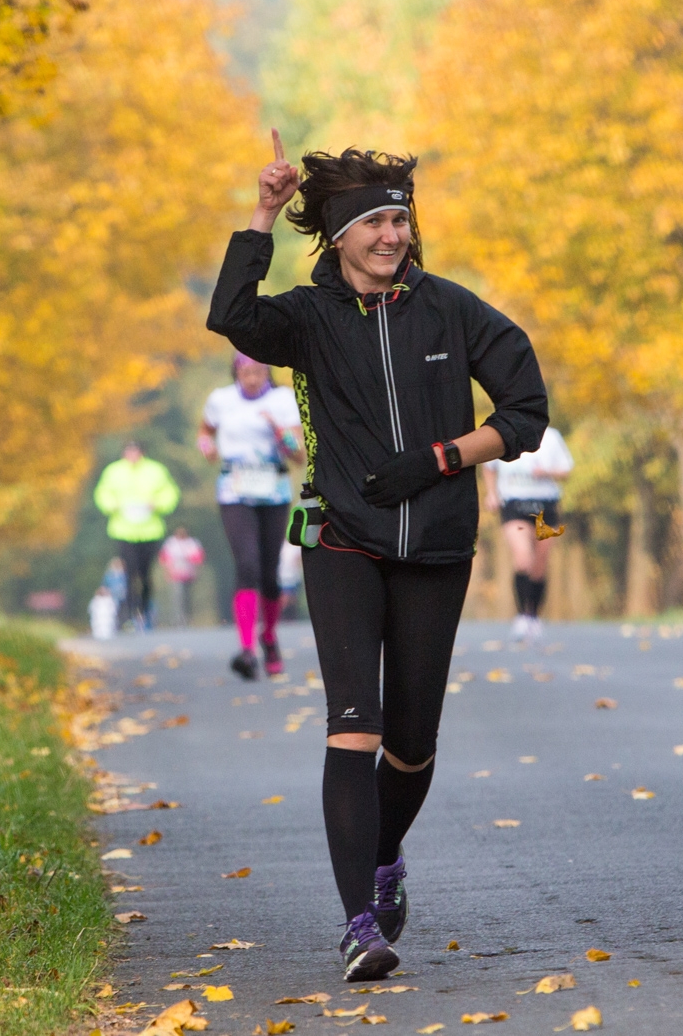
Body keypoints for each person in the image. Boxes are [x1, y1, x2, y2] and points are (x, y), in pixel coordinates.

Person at [208, 132, 548, 982]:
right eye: (377, 223)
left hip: (435, 543)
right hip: (342, 540)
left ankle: (383, 850)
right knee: (353, 724)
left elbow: (526, 410)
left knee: (412, 741)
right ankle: (360, 920)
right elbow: (232, 315)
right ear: (339, 233)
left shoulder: (450, 309)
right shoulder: (308, 318)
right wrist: (259, 212)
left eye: (402, 220)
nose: (394, 236)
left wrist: (442, 458)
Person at [199, 354, 303, 678]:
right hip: (235, 489)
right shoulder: (221, 399)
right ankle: (247, 649)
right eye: (246, 372)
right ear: (236, 372)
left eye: (259, 372)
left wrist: (278, 429)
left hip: (273, 489)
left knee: (270, 572)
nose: (253, 378)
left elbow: (298, 454)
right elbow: (205, 430)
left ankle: (269, 637)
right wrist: (207, 446)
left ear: (267, 372)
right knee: (247, 565)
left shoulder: (282, 399)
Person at [481, 425, 574, 642]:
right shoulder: (504, 432)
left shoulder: (551, 437)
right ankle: (522, 615)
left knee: (540, 564)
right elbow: (489, 466)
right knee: (523, 558)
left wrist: (546, 472)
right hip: (514, 504)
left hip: (546, 505)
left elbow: (566, 470)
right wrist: (492, 494)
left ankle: (534, 616)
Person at [92, 442, 180, 631]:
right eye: (128, 452)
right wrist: (112, 505)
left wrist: (156, 504)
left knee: (146, 573)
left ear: (142, 453)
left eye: (135, 452)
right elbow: (102, 494)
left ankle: (145, 610)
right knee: (129, 573)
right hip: (123, 530)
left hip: (150, 530)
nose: (132, 455)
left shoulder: (155, 470)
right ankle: (130, 613)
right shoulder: (113, 471)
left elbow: (170, 493)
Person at [159, 526, 206, 627]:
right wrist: (167, 571)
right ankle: (178, 619)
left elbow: (198, 558)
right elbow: (164, 558)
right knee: (177, 597)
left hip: (189, 574)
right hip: (175, 574)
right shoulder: (171, 543)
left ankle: (187, 617)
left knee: (187, 598)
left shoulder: (192, 543)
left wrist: (196, 570)